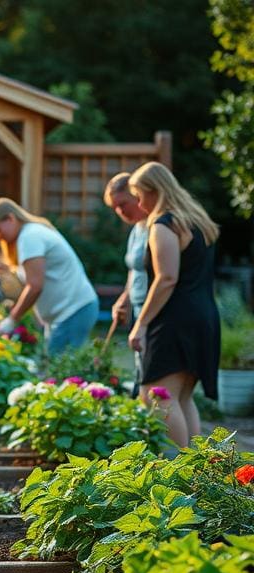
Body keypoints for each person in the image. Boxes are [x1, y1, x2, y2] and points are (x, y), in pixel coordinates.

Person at [127, 161, 220, 448]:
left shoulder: (164, 225)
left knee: (156, 394)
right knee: (180, 396)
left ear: (155, 191)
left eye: (140, 196)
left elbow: (166, 278)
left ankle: (178, 472)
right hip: (203, 316)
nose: (140, 205)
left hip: (174, 321)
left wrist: (141, 324)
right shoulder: (196, 220)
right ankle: (197, 473)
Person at [0, 197, 99, 355]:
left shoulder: (30, 237)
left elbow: (35, 286)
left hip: (73, 311)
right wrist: (9, 272)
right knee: (55, 371)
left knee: (57, 375)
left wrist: (12, 320)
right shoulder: (31, 233)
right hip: (67, 314)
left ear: (10, 218)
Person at [103, 172, 150, 396]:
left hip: (154, 309)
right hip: (138, 307)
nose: (120, 211)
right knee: (140, 366)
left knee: (150, 373)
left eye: (123, 204)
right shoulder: (136, 230)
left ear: (137, 195)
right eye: (115, 208)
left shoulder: (157, 228)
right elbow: (133, 270)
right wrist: (124, 299)